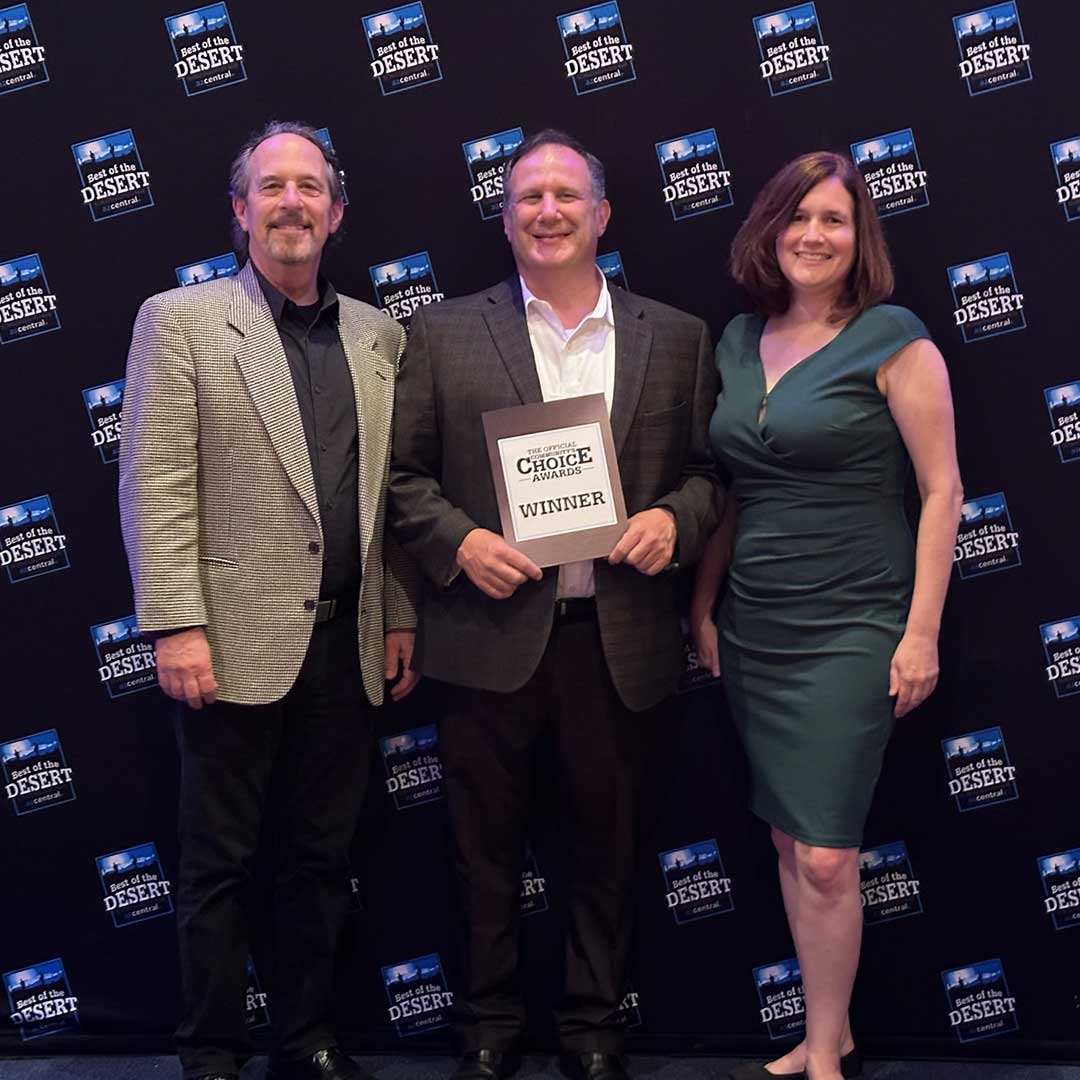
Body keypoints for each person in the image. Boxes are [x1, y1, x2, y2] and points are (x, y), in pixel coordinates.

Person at [388, 129, 721, 1080]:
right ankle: (488, 1025)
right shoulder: (443, 333)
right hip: (487, 634)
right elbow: (403, 476)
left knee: (609, 848)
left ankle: (592, 1029)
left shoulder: (678, 336)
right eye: (528, 196)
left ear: (602, 215)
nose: (547, 212)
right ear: (504, 216)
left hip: (617, 638)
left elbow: (709, 477)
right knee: (479, 847)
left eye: (567, 196)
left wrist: (672, 519)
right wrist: (459, 543)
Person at [118, 120, 419, 1080]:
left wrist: (400, 613)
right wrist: (174, 621)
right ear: (241, 210)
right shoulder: (181, 319)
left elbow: (389, 492)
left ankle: (310, 1037)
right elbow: (154, 482)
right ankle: (210, 1051)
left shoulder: (380, 333)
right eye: (272, 186)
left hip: (347, 645)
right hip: (228, 640)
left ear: (336, 210)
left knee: (321, 862)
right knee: (217, 868)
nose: (293, 202)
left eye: (310, 186)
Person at [690, 151, 962, 1080]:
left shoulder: (895, 338)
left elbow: (942, 491)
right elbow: (729, 496)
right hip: (757, 620)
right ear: (768, 230)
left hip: (857, 620)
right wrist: (702, 605)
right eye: (796, 217)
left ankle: (825, 1062)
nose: (813, 234)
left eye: (835, 220)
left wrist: (920, 630)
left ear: (860, 239)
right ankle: (825, 1028)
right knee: (785, 834)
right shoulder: (735, 342)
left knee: (826, 855)